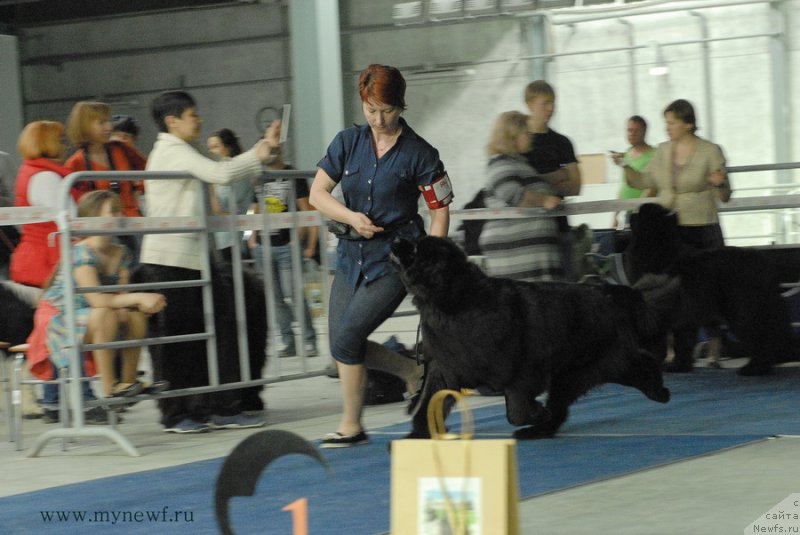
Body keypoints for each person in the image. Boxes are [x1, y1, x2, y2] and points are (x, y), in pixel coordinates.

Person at [309, 64, 452, 448]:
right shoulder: (346, 142)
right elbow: (317, 194)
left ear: (401, 105)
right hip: (349, 256)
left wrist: (431, 262)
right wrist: (350, 216)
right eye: (371, 110)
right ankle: (405, 375)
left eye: (386, 110)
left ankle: (351, 422)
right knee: (341, 342)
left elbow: (440, 209)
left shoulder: (420, 152)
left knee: (347, 339)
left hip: (395, 259)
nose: (378, 119)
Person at [134, 90, 278, 433]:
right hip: (170, 261)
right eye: (192, 115)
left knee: (211, 335)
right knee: (176, 343)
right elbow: (222, 174)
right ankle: (178, 412)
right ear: (172, 121)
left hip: (195, 259)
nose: (198, 120)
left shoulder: (182, 151)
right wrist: (258, 152)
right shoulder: (172, 152)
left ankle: (214, 406)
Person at [26, 191, 168, 419]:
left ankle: (128, 382)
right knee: (105, 313)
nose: (120, 215)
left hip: (97, 310)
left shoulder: (122, 252)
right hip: (61, 316)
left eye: (120, 210)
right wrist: (138, 297)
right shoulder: (81, 252)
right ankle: (109, 387)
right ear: (93, 217)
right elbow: (97, 299)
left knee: (134, 315)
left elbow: (121, 293)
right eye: (113, 211)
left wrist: (131, 304)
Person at [623, 98, 730, 371]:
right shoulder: (662, 151)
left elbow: (725, 195)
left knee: (708, 288)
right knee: (674, 290)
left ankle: (715, 351)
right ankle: (678, 353)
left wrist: (721, 184)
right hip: (671, 231)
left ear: (688, 124)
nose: (667, 127)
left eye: (672, 122)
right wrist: (624, 167)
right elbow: (643, 181)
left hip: (703, 228)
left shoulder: (710, 151)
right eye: (666, 122)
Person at [248, 147, 318, 358]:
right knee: (275, 297)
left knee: (294, 293)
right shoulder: (259, 177)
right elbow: (254, 209)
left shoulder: (291, 175)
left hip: (287, 245)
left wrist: (304, 240)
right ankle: (288, 341)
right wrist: (251, 235)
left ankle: (309, 340)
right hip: (263, 245)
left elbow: (306, 210)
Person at [479, 111, 563, 281]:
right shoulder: (499, 163)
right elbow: (511, 193)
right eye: (526, 131)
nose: (530, 135)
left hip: (531, 255)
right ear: (512, 135)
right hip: (516, 257)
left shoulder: (518, 163)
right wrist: (544, 200)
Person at [10, 121, 82, 289]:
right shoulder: (47, 177)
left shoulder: (29, 170)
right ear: (49, 143)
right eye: (61, 140)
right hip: (48, 264)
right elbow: (73, 222)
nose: (66, 146)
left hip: (34, 260)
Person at [522, 80, 581, 280]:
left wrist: (537, 181)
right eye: (545, 103)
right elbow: (519, 187)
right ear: (530, 105)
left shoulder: (562, 142)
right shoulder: (518, 143)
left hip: (559, 226)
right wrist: (558, 175)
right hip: (527, 232)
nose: (551, 108)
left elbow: (575, 187)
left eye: (553, 103)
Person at [206, 128, 255, 261]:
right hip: (218, 237)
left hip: (231, 239)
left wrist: (210, 189)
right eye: (209, 148)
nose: (211, 151)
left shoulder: (238, 174)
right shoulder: (218, 172)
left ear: (228, 147)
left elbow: (219, 209)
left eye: (216, 147)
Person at [610, 115, 655, 228]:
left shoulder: (654, 154)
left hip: (645, 213)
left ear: (644, 132)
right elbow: (624, 186)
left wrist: (636, 213)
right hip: (629, 212)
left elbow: (651, 189)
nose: (631, 134)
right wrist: (615, 215)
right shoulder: (627, 153)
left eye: (636, 130)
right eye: (629, 130)